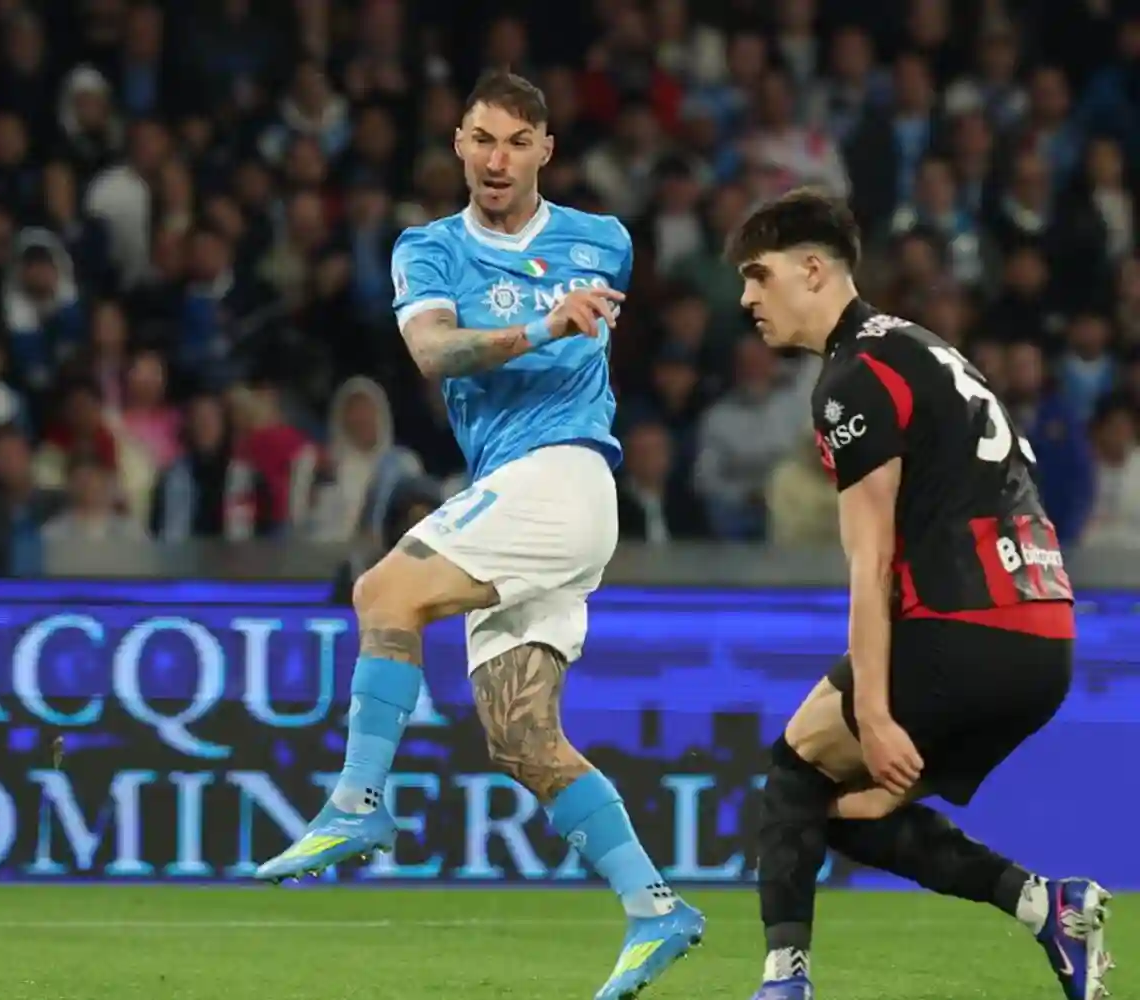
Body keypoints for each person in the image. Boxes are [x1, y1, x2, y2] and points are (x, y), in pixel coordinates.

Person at [252, 70, 703, 1000]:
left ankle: (359, 802)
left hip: (567, 475)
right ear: (458, 145)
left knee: (382, 593)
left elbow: (571, 357)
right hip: (516, 489)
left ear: (545, 150)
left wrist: (548, 326)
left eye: (516, 141)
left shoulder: (602, 242)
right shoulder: (427, 250)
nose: (497, 159)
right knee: (521, 736)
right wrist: (544, 322)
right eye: (481, 139)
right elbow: (432, 353)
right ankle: (655, 905)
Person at [728, 188, 1110, 1000]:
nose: (746, 298)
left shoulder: (851, 378)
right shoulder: (921, 349)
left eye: (759, 276)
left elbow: (870, 563)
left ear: (812, 269)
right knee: (845, 809)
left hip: (966, 629)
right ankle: (1048, 906)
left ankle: (783, 982)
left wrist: (872, 709)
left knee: (795, 768)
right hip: (1044, 640)